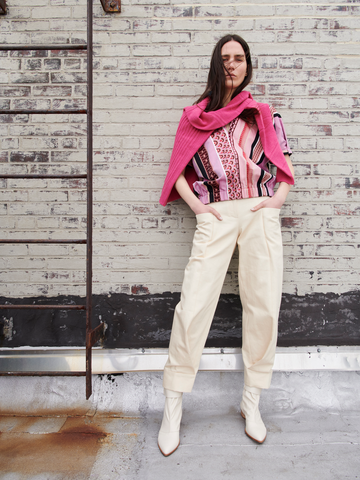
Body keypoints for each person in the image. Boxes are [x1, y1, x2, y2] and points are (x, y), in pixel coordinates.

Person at [157, 34, 294, 456]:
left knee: (263, 305)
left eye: (239, 59)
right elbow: (178, 169)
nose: (233, 65)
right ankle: (173, 405)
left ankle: (251, 401)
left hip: (258, 212)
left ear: (248, 65)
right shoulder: (196, 116)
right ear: (217, 66)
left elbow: (284, 166)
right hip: (216, 213)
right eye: (226, 59)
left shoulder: (262, 114)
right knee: (194, 304)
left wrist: (272, 205)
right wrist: (199, 208)